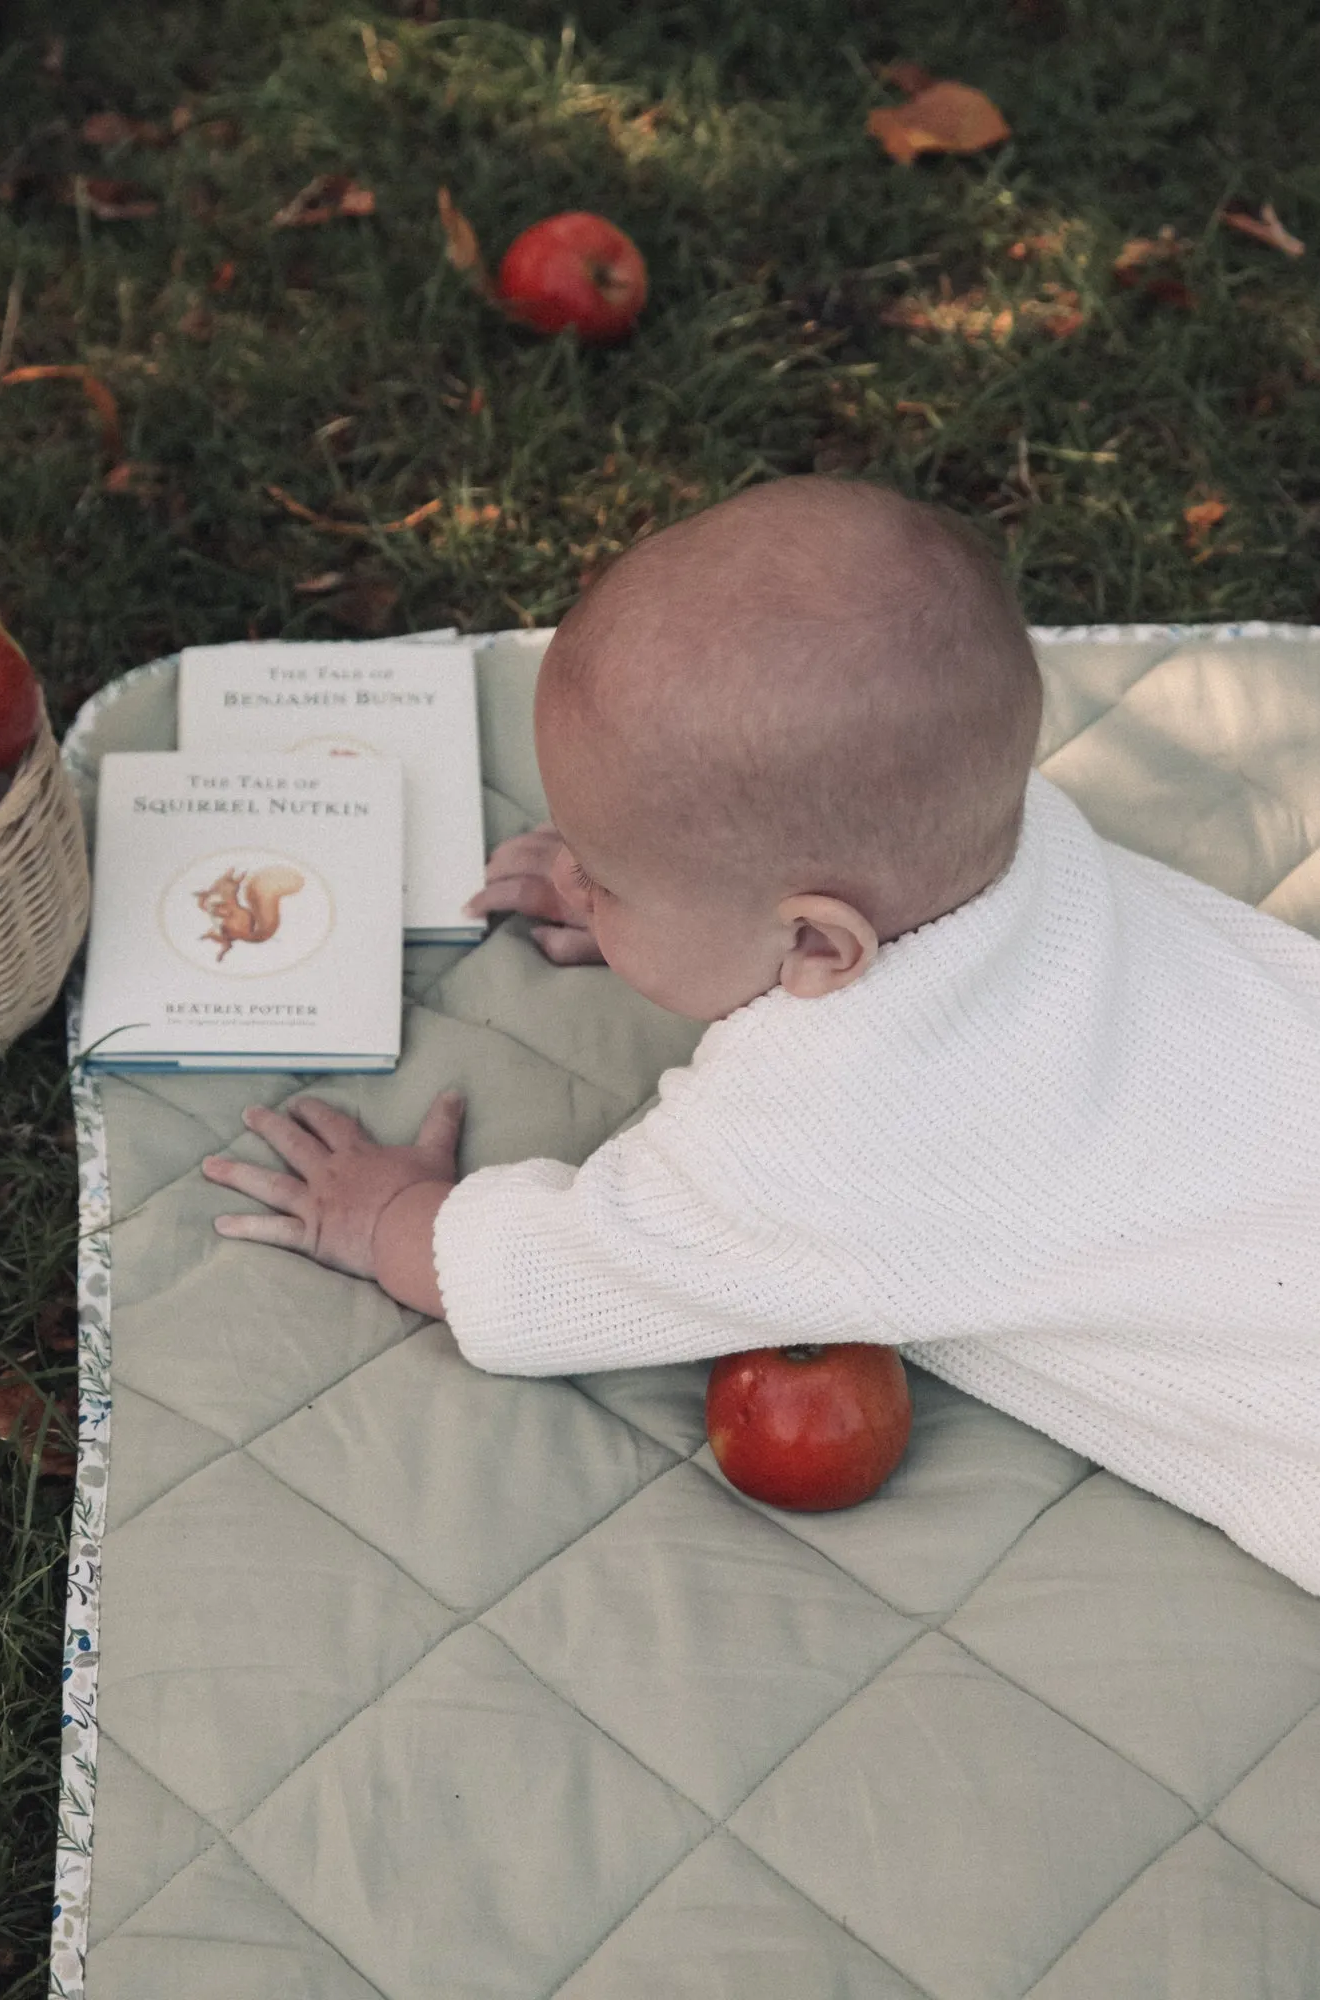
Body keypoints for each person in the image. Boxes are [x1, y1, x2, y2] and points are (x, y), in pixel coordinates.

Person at [202, 476, 1320, 1592]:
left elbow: (547, 1278)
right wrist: (678, 909)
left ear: (818, 948)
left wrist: (389, 1214)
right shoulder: (1024, 838)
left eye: (607, 879)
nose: (573, 877)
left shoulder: (807, 1138)